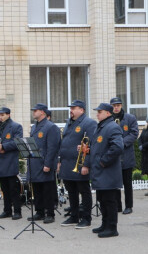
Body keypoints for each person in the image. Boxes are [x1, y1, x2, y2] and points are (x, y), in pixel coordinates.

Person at [58, 100, 97, 228]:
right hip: (67, 163)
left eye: (74, 108)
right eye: (71, 108)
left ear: (82, 110)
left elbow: (90, 145)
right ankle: (74, 216)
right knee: (71, 191)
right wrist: (59, 161)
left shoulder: (89, 123)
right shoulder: (69, 122)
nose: (71, 110)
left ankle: (86, 218)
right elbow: (63, 143)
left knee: (84, 191)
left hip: (79, 163)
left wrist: (86, 164)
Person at [90, 103, 124, 238]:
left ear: (108, 113)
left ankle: (112, 227)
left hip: (107, 171)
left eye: (100, 111)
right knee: (102, 199)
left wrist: (103, 161)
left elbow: (117, 147)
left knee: (109, 200)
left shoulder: (113, 127)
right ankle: (105, 224)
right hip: (100, 171)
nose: (97, 114)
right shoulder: (101, 127)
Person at [27, 103, 60, 224]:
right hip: (35, 162)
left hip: (45, 163)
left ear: (42, 112)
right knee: (37, 189)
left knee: (47, 190)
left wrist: (48, 164)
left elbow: (52, 148)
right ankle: (39, 212)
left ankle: (50, 213)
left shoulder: (51, 127)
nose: (33, 112)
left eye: (35, 110)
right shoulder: (34, 126)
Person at [110, 97, 139, 214]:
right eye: (114, 105)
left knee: (127, 183)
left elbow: (134, 133)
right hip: (114, 157)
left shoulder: (130, 118)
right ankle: (118, 206)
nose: (116, 107)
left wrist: (121, 142)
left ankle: (129, 206)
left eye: (118, 105)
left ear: (121, 106)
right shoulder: (109, 119)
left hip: (126, 155)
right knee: (115, 183)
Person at [0, 107, 23, 220]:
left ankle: (17, 211)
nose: (0, 117)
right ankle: (7, 210)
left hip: (10, 160)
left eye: (3, 115)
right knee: (4, 189)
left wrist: (4, 147)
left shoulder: (16, 126)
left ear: (8, 115)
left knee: (13, 189)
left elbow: (17, 141)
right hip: (0, 161)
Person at [138, 117, 148, 196]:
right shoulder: (145, 129)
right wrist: (140, 145)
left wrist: (143, 146)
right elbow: (140, 138)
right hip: (145, 154)